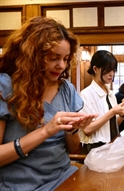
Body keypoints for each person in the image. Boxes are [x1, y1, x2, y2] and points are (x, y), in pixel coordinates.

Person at [0, 16, 97, 191]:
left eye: (66, 59)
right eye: (54, 58)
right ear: (31, 55)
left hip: (64, 177)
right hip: (20, 185)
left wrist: (73, 129)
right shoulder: (6, 87)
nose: (61, 65)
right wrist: (45, 131)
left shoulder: (66, 89)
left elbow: (73, 148)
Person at [79, 50, 124, 154]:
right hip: (94, 149)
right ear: (95, 69)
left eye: (113, 70)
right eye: (108, 70)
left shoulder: (110, 94)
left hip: (112, 144)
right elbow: (87, 130)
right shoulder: (86, 94)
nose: (112, 74)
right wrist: (112, 112)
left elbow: (114, 124)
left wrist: (123, 114)